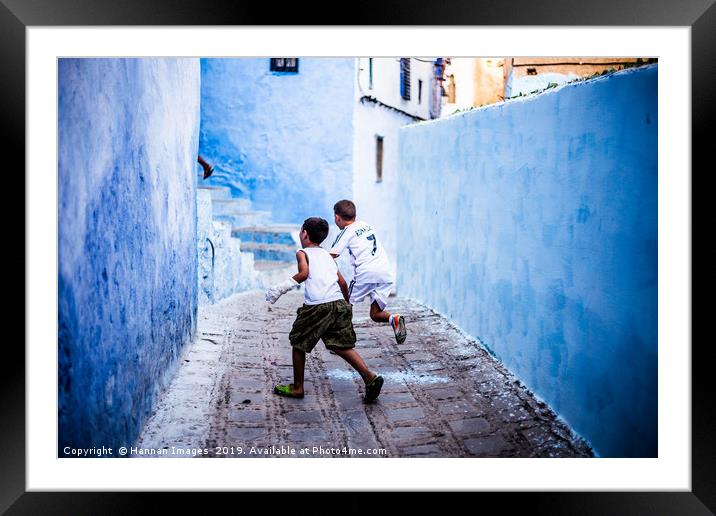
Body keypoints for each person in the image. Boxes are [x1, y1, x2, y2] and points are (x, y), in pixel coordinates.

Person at [265, 217, 384, 402]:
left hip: (316, 307)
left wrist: (279, 289)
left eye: (300, 231)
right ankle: (369, 377)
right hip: (337, 304)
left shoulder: (302, 253)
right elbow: (342, 282)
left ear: (304, 234)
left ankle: (297, 388)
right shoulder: (328, 256)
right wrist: (347, 303)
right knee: (340, 345)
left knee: (298, 343)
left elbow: (304, 274)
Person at [329, 200, 407, 344]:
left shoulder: (346, 232)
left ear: (337, 218)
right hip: (385, 274)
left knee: (345, 305)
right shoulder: (367, 225)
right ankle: (394, 319)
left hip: (366, 274)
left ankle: (342, 340)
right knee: (375, 314)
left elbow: (332, 255)